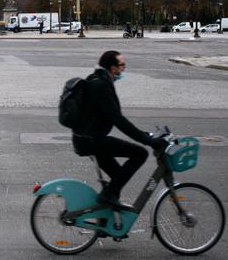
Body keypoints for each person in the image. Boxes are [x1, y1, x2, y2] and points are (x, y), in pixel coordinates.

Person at [72, 50, 168, 209]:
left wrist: (147, 135)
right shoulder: (102, 85)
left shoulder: (97, 79)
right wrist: (148, 141)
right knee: (140, 153)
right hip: (91, 141)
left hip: (86, 138)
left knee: (118, 177)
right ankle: (107, 197)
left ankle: (104, 222)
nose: (123, 69)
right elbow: (118, 120)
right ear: (112, 68)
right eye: (122, 65)